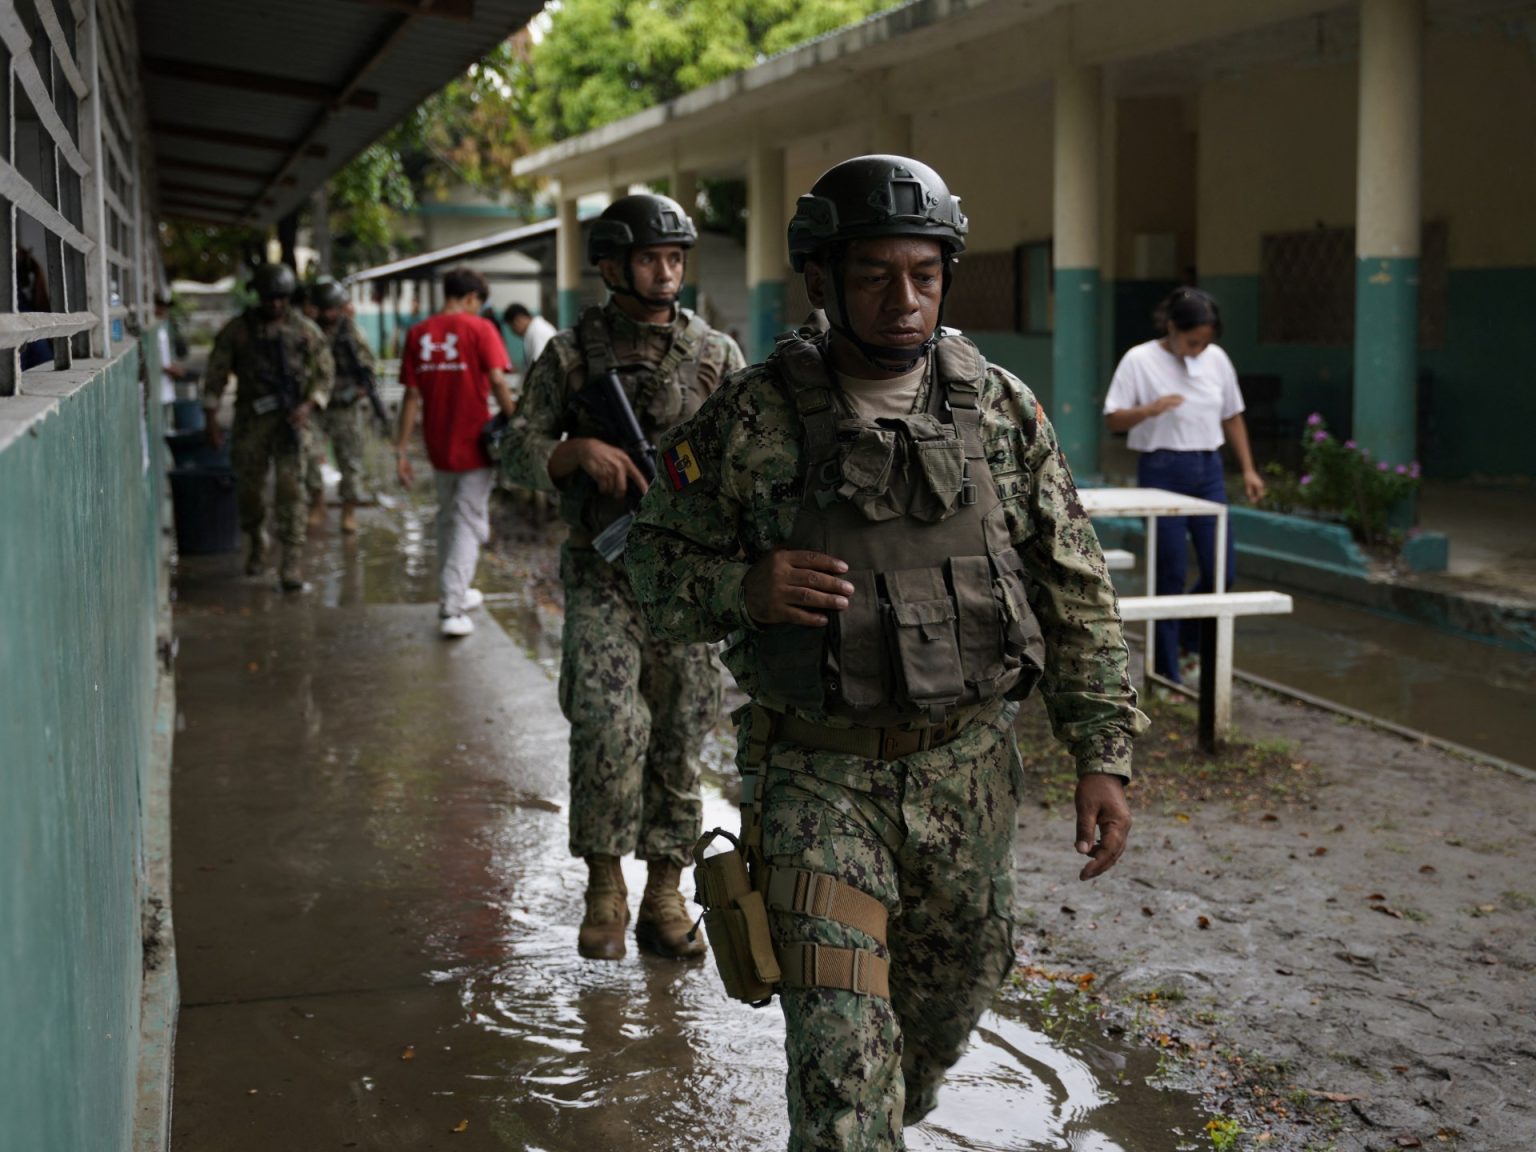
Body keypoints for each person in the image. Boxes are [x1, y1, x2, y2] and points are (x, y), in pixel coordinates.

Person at [625, 155, 1147, 1146]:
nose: (904, 299)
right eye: (874, 276)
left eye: (924, 274)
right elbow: (648, 566)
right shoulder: (752, 420)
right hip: (817, 780)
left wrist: (1102, 755)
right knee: (837, 1063)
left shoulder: (998, 408)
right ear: (823, 280)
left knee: (936, 1025)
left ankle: (888, 1118)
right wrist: (746, 586)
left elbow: (1074, 580)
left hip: (969, 775)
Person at [500, 193, 745, 962]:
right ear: (611, 267)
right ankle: (604, 886)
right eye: (649, 259)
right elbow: (513, 446)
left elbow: (754, 455)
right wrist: (575, 454)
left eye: (675, 259)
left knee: (679, 731)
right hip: (605, 571)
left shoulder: (716, 356)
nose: (666, 273)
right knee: (609, 726)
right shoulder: (572, 356)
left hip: (687, 579)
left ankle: (665, 892)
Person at [1102, 286, 1265, 684]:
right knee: (1169, 574)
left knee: (1221, 570)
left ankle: (1187, 640)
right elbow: (1113, 419)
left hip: (1208, 470)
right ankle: (1166, 674)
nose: (1199, 348)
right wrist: (1149, 409)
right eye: (1193, 340)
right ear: (1172, 327)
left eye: (1205, 342)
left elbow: (1233, 415)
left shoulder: (1217, 360)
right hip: (1161, 469)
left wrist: (1248, 469)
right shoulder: (1140, 360)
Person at [394, 265, 515, 638]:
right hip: (474, 442)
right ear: (471, 298)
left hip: (437, 443)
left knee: (450, 517)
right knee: (468, 520)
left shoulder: (418, 333)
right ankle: (451, 607)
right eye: (478, 303)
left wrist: (400, 450)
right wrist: (518, 423)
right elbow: (497, 381)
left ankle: (457, 590)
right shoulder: (481, 329)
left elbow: (412, 396)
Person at [203, 263, 334, 590]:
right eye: (268, 298)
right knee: (249, 489)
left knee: (291, 488)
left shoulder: (305, 331)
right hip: (252, 419)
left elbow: (325, 373)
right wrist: (211, 418)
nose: (274, 304)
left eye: (280, 298)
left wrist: (309, 404)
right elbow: (216, 373)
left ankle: (291, 558)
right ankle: (256, 537)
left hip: (291, 421)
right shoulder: (239, 330)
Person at [304, 278, 378, 535]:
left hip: (344, 406)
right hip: (314, 405)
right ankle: (317, 501)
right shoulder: (308, 331)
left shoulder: (352, 332)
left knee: (350, 460)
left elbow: (368, 365)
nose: (328, 314)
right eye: (322, 309)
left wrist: (360, 389)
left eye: (331, 309)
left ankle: (349, 510)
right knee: (310, 455)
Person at [503, 302, 556, 382]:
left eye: (512, 327)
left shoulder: (538, 331)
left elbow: (539, 367)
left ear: (518, 320)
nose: (513, 332)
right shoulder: (533, 331)